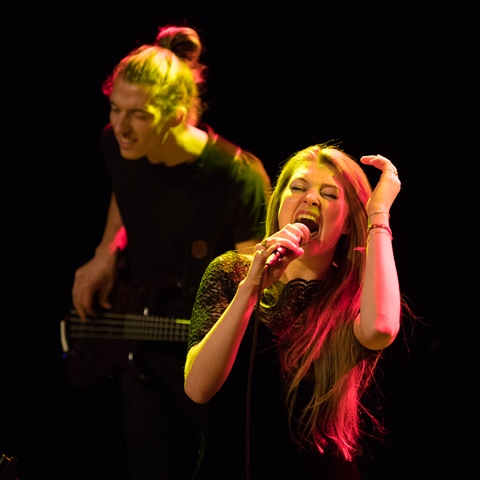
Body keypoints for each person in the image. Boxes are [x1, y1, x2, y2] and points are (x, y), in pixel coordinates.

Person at [70, 25, 271, 480]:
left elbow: (258, 284)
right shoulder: (117, 144)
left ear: (177, 114)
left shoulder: (237, 176)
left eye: (138, 115)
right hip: (141, 349)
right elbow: (126, 188)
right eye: (115, 108)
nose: (121, 126)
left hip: (206, 357)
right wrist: (106, 250)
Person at [184, 144, 402, 479]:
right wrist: (250, 288)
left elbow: (381, 329)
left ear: (347, 223)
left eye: (329, 194)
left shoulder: (355, 293)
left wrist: (378, 214)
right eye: (298, 188)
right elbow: (198, 389)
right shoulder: (231, 272)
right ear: (279, 205)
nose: (311, 199)